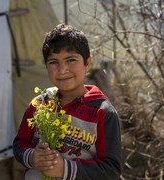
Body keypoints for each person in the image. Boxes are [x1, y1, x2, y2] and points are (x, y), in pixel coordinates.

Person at [13, 23, 122, 179]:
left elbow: (111, 169)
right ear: (46, 66)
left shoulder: (102, 113)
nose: (62, 69)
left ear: (88, 63)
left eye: (71, 60)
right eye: (53, 62)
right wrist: (31, 157)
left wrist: (65, 169)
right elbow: (19, 144)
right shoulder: (40, 103)